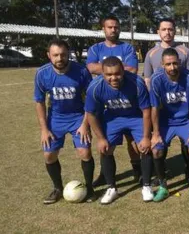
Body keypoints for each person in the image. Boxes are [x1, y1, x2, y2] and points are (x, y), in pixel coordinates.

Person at [85, 56, 153, 205]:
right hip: (113, 117)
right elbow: (91, 114)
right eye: (108, 75)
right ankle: (112, 188)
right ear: (102, 73)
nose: (113, 78)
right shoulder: (95, 87)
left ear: (123, 71)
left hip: (135, 116)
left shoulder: (136, 83)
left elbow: (146, 111)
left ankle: (147, 185)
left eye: (117, 73)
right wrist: (101, 138)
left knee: (145, 147)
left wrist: (147, 137)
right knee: (105, 148)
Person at [34, 39, 95, 204]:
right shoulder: (42, 73)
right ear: (49, 55)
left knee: (85, 152)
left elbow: (90, 99)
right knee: (49, 155)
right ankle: (57, 188)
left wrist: (85, 124)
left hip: (78, 117)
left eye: (63, 54)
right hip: (56, 119)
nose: (59, 58)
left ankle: (89, 188)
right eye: (55, 55)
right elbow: (39, 102)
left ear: (68, 54)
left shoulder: (81, 71)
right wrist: (44, 129)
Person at [86, 15, 142, 187]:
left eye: (116, 27)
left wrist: (103, 68)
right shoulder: (95, 48)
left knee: (133, 142)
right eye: (109, 27)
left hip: (127, 100)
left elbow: (132, 68)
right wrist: (116, 68)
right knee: (105, 143)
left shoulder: (127, 48)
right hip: (105, 103)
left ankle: (138, 173)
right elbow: (90, 67)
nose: (113, 30)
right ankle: (105, 174)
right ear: (103, 29)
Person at [143, 17, 189, 181]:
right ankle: (161, 173)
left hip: (182, 106)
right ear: (158, 32)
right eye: (164, 29)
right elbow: (147, 80)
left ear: (175, 31)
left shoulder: (185, 51)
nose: (167, 32)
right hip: (161, 107)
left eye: (170, 29)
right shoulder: (151, 53)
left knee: (186, 143)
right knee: (158, 142)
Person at [150, 48, 189, 203]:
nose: (172, 67)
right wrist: (156, 133)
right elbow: (154, 108)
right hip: (166, 121)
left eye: (174, 63)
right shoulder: (156, 79)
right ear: (162, 64)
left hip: (185, 120)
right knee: (156, 150)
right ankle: (163, 186)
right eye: (168, 64)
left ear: (179, 62)